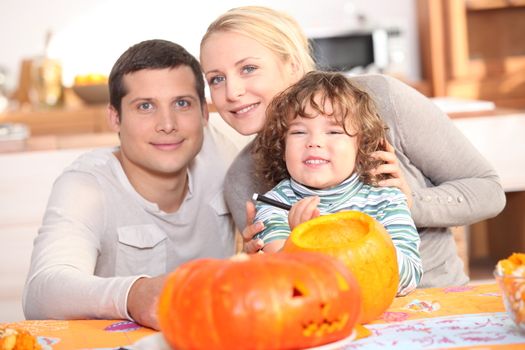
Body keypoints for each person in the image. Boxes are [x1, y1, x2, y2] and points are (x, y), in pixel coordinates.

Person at [199, 6, 506, 288]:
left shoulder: (382, 99)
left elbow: (488, 191)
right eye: (216, 79)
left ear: (292, 64)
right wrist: (264, 268)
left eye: (248, 68)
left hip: (437, 302)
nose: (232, 92)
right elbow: (287, 287)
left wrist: (411, 203)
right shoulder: (242, 179)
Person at [23, 39, 237, 330]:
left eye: (182, 103)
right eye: (145, 106)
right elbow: (41, 293)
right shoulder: (87, 185)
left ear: (204, 114)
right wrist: (134, 294)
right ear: (115, 118)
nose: (167, 124)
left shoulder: (224, 154)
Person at [252, 71, 422, 295]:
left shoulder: (387, 198)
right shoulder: (273, 204)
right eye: (299, 131)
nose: (314, 142)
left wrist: (364, 241)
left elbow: (409, 277)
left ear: (361, 146)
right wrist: (300, 241)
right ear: (282, 147)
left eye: (333, 131)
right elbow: (280, 284)